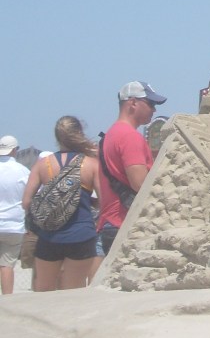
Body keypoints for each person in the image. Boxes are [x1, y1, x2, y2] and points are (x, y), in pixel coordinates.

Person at [22, 118, 100, 291]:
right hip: (82, 234)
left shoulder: (43, 164)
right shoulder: (91, 164)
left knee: (44, 290)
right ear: (79, 133)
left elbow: (26, 202)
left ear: (57, 137)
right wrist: (86, 200)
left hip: (49, 236)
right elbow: (104, 201)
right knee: (73, 291)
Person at [98, 81, 166, 255]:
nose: (154, 110)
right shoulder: (130, 137)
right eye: (150, 104)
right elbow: (140, 184)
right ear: (133, 103)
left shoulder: (112, 133)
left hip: (111, 222)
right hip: (124, 223)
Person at [0, 135, 29, 294]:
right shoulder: (22, 171)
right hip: (14, 226)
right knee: (7, 266)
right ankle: (7, 300)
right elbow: (33, 195)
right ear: (15, 150)